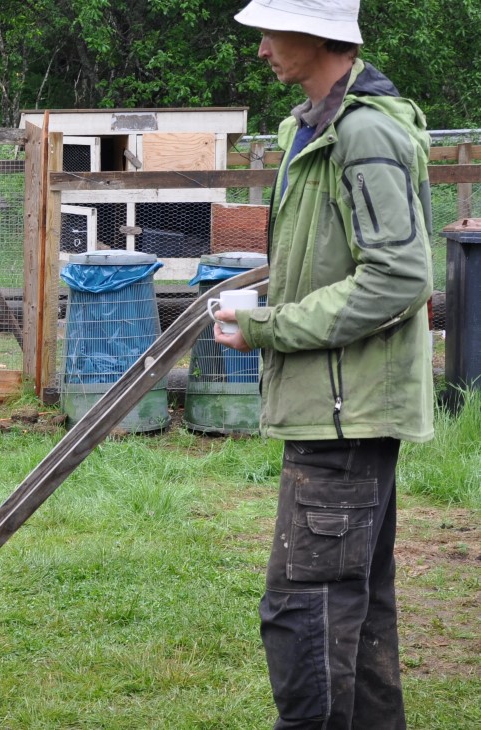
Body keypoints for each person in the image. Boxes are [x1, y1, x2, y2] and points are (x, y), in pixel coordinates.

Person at [217, 2, 435, 728]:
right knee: (358, 614)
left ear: (318, 36)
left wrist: (270, 328)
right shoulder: (313, 127)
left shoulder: (363, 133)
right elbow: (332, 258)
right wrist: (260, 296)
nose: (261, 51)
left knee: (304, 613)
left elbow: (400, 276)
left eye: (270, 33)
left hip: (346, 415)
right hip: (339, 407)